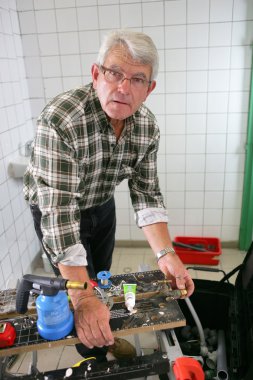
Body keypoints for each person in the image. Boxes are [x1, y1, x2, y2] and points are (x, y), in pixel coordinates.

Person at [24, 29, 194, 361]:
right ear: (96, 74)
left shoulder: (147, 128)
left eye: (137, 79)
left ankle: (103, 333)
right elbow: (58, 214)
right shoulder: (62, 120)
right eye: (114, 73)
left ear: (149, 89)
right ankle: (90, 351)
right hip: (55, 209)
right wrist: (83, 298)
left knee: (100, 276)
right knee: (78, 287)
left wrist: (166, 254)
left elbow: (146, 194)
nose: (122, 87)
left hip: (101, 203)